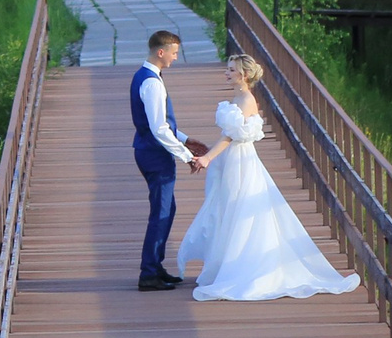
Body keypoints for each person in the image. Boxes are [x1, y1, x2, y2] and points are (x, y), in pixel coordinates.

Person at [172, 55, 361, 302]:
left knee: (241, 208)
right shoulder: (237, 97)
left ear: (244, 75)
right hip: (231, 160)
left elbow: (230, 135)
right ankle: (227, 264)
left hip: (240, 160)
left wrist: (207, 157)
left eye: (231, 70)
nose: (226, 73)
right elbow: (228, 134)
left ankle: (246, 267)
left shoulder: (247, 100)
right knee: (227, 208)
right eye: (227, 69)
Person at [130, 30, 200, 291]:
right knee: (160, 213)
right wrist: (187, 156)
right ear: (161, 52)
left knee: (167, 210)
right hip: (154, 154)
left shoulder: (146, 76)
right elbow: (159, 128)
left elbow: (161, 124)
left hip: (150, 151)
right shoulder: (151, 83)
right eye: (174, 53)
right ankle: (148, 274)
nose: (175, 58)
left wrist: (186, 139)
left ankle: (156, 267)